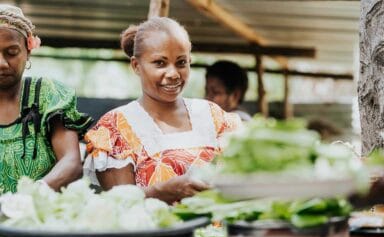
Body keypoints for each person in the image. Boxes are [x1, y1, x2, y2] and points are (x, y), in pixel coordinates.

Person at [84, 17, 241, 204]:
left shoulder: (214, 116)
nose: (173, 74)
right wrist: (161, 192)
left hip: (220, 233)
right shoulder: (115, 128)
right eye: (160, 63)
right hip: (159, 233)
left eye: (181, 62)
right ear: (136, 66)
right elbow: (121, 206)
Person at [0, 4, 93, 193]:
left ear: (28, 51)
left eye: (11, 53)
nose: (2, 63)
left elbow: (71, 162)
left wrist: (29, 198)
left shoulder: (47, 94)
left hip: (37, 215)